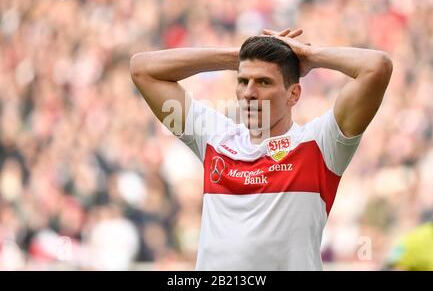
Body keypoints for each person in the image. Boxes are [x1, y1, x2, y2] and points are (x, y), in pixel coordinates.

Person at [129, 27, 393, 270]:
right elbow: (142, 69)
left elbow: (377, 67)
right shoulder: (214, 137)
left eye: (264, 82)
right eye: (243, 81)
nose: (249, 93)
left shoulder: (320, 144)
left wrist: (310, 56)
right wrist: (236, 57)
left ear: (294, 94)